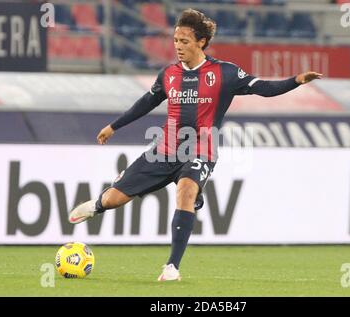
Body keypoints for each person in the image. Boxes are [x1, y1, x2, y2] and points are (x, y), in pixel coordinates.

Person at [69, 8, 322, 281]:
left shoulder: (224, 73)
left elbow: (264, 87)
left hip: (201, 149)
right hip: (164, 150)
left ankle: (172, 267)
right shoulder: (168, 75)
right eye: (176, 41)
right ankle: (97, 205)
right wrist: (113, 126)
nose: (178, 46)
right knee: (113, 199)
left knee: (186, 191)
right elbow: (145, 103)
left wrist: (296, 81)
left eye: (184, 41)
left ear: (201, 42)